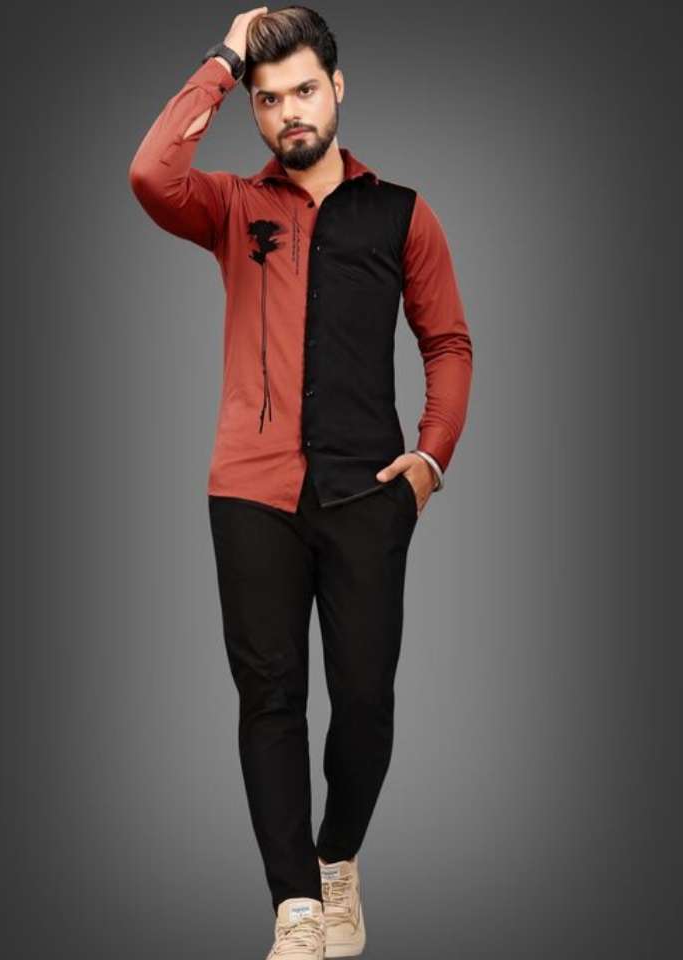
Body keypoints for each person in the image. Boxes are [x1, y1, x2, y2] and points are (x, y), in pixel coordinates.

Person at [128, 5, 473, 957]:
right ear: (255, 108)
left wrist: (430, 460)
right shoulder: (232, 207)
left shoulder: (403, 212)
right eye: (269, 98)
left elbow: (447, 341)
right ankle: (295, 908)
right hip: (250, 493)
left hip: (369, 494)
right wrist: (224, 57)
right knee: (270, 699)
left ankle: (337, 859)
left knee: (364, 704)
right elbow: (151, 174)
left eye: (305, 90)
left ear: (338, 89)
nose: (289, 112)